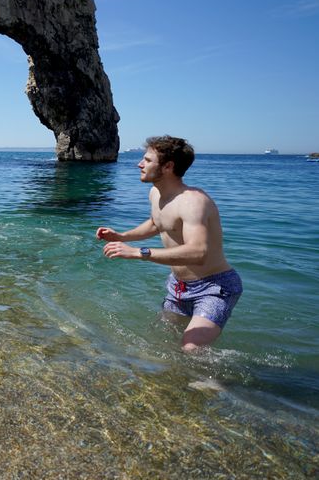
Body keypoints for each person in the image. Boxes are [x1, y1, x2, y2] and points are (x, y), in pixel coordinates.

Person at [95, 135, 242, 352]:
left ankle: (212, 386)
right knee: (159, 339)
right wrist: (121, 236)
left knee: (191, 348)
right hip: (178, 287)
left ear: (168, 166)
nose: (139, 164)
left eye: (147, 160)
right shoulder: (156, 193)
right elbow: (157, 223)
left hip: (213, 287)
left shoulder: (193, 202)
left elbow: (198, 251)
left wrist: (138, 252)